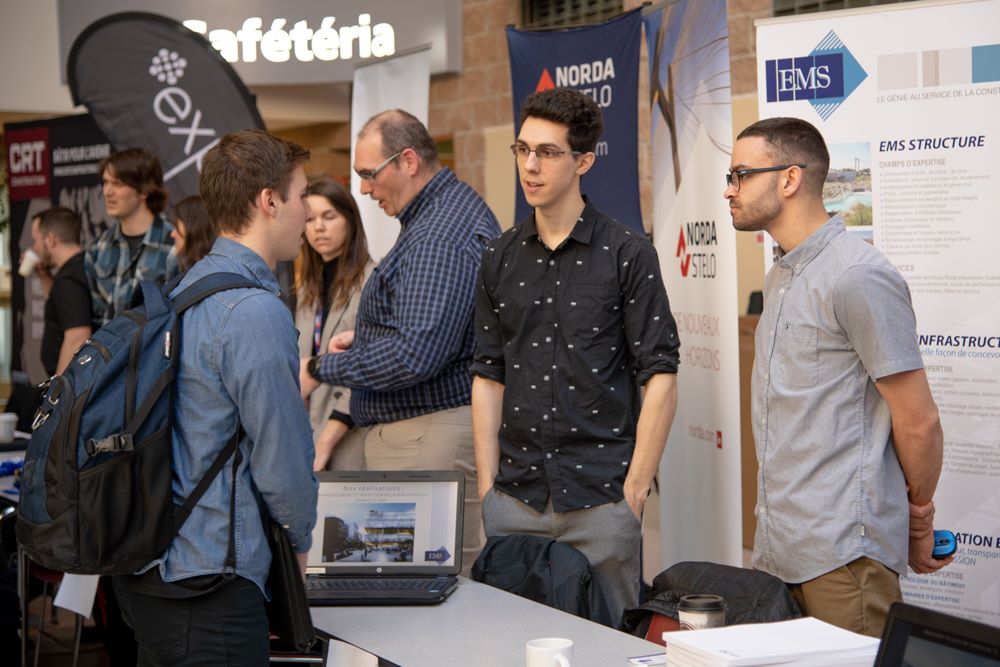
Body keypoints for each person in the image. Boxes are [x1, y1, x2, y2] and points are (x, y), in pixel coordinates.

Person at [727, 117, 949, 637]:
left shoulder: (858, 275)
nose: (729, 189)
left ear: (789, 179)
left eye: (740, 174)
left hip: (844, 556)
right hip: (783, 550)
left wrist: (917, 519)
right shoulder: (782, 273)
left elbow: (918, 422)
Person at [470, 89, 680, 626]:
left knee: (611, 650)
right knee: (511, 648)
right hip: (516, 499)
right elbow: (488, 373)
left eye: (548, 152)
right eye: (522, 150)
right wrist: (487, 486)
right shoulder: (498, 256)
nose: (531, 165)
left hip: (602, 501)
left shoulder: (627, 253)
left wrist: (633, 491)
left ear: (583, 161)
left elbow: (660, 374)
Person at [112, 129, 318, 664]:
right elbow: (282, 458)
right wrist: (299, 539)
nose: (307, 211)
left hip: (152, 567)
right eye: (300, 196)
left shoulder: (185, 291)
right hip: (209, 583)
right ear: (269, 202)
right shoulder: (252, 311)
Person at [300, 110, 500, 573]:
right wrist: (369, 338)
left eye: (369, 175)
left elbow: (416, 355)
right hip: (422, 432)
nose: (365, 189)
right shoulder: (437, 214)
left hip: (428, 432)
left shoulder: (437, 235)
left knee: (436, 591)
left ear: (408, 161)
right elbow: (430, 329)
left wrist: (318, 370)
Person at [295, 177, 375, 471]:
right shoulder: (306, 289)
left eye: (329, 217)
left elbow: (368, 368)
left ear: (350, 220)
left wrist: (326, 441)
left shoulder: (372, 281)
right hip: (307, 433)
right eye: (310, 219)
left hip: (351, 434)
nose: (318, 228)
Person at [86, 147, 178, 327]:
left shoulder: (174, 245)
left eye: (118, 183)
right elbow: (96, 319)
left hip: (154, 353)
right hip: (109, 353)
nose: (107, 191)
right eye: (105, 182)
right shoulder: (97, 249)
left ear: (144, 190)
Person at [29, 206, 92, 376]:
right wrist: (43, 275)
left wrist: (58, 395)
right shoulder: (81, 267)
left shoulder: (68, 279)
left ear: (50, 240)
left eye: (36, 240)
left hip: (72, 386)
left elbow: (77, 336)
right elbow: (61, 308)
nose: (34, 248)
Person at [170, 195, 217, 270]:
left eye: (176, 226)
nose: (172, 234)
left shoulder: (208, 272)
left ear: (193, 227)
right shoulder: (180, 265)